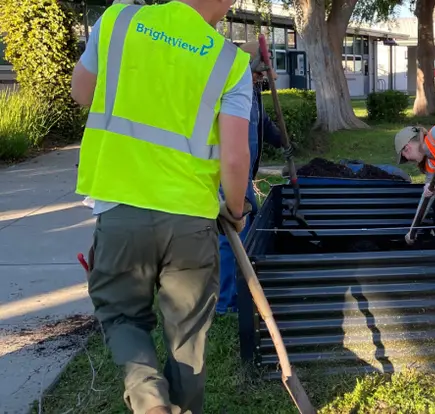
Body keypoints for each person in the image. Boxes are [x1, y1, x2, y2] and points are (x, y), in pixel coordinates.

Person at [70, 0, 253, 413]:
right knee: (188, 337)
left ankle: (150, 399)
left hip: (121, 209)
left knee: (122, 318)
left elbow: (81, 92)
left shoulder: (118, 20)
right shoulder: (230, 62)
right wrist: (236, 210)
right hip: (190, 220)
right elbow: (236, 156)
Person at [216, 41, 283, 315]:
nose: (259, 80)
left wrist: (282, 141)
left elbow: (263, 123)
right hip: (228, 171)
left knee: (247, 229)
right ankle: (227, 303)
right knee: (231, 235)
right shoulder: (228, 88)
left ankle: (242, 292)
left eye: (261, 77)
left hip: (244, 172)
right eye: (257, 75)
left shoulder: (252, 91)